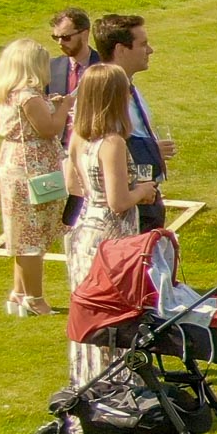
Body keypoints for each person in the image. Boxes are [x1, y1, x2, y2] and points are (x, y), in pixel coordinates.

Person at [63, 65, 155, 384]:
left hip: (85, 230)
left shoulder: (78, 137)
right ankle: (114, 386)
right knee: (113, 315)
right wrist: (142, 190)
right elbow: (118, 201)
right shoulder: (112, 142)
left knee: (89, 316)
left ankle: (87, 384)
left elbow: (76, 186)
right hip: (110, 236)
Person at [0, 39, 72, 317]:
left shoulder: (10, 92)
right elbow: (49, 128)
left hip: (16, 164)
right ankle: (35, 298)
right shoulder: (27, 95)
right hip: (31, 170)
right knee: (31, 236)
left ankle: (18, 293)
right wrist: (64, 107)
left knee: (23, 233)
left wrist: (50, 105)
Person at [93, 15, 174, 232]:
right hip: (128, 207)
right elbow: (103, 145)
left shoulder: (130, 88)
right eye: (143, 44)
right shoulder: (102, 95)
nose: (150, 50)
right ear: (120, 50)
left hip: (146, 196)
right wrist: (150, 149)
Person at [47, 7, 99, 100]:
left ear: (84, 34)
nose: (60, 42)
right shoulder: (50, 68)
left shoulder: (106, 65)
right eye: (56, 37)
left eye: (66, 37)